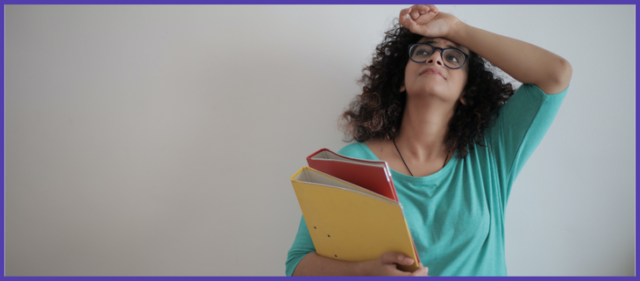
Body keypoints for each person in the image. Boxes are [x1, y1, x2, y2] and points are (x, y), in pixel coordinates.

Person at [286, 4, 572, 276]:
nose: (436, 58)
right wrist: (367, 273)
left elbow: (556, 74)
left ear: (466, 91)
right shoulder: (350, 163)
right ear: (401, 80)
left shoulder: (492, 151)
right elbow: (297, 265)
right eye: (423, 51)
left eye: (453, 57)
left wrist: (456, 28)